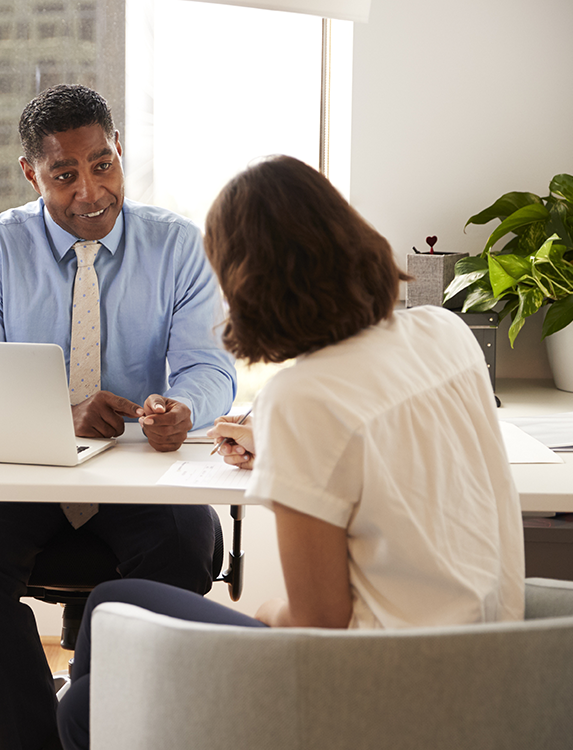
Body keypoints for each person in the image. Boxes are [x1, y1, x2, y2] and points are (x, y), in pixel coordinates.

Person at [56, 155, 526, 750]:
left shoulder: (302, 397)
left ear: (246, 285)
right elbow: (399, 448)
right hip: (493, 669)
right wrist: (285, 448)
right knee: (110, 614)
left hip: (374, 696)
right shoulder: (444, 331)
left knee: (87, 694)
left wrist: (264, 616)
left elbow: (316, 625)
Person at [0, 84, 237, 750]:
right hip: (26, 466)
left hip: (139, 465)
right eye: (64, 175)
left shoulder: (178, 246)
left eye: (102, 165)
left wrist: (183, 411)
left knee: (186, 550)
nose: (89, 191)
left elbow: (213, 369)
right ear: (31, 174)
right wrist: (63, 414)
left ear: (120, 151)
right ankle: (37, 739)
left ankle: (111, 727)